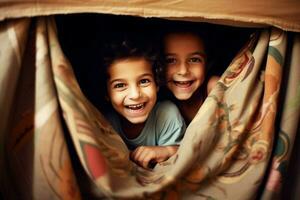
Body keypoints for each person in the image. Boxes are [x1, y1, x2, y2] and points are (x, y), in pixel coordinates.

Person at [101, 33, 186, 169]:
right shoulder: (106, 122)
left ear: (157, 83)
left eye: (144, 81)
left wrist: (166, 151)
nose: (135, 95)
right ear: (106, 93)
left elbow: (188, 155)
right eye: (120, 85)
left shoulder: (167, 114)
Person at [162, 29, 219, 125]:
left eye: (194, 59)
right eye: (171, 60)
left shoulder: (214, 88)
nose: (183, 71)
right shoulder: (157, 100)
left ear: (207, 64)